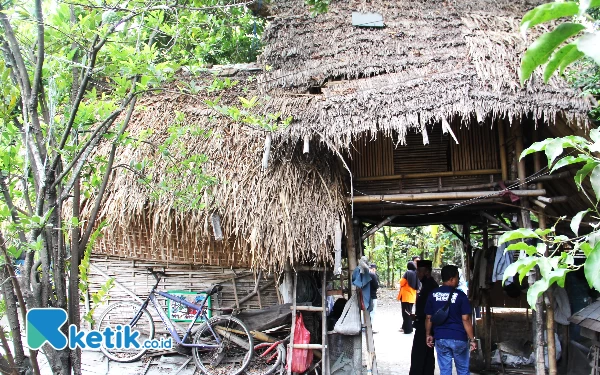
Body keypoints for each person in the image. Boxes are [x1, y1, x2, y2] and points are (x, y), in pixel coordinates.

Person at [425, 265, 477, 375]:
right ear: (452, 279)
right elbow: (466, 319)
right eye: (457, 277)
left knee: (445, 371)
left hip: (441, 338)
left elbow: (429, 317)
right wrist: (472, 339)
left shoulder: (433, 294)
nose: (458, 280)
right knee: (463, 371)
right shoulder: (461, 296)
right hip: (459, 338)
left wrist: (428, 334)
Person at [409, 260, 438, 375]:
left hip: (426, 325)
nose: (417, 274)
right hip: (422, 323)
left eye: (419, 272)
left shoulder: (431, 286)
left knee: (420, 353)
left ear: (426, 272)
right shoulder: (426, 285)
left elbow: (430, 311)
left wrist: (427, 329)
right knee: (424, 354)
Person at [398, 261, 420, 333]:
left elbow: (402, 282)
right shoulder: (416, 273)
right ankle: (406, 327)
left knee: (406, 313)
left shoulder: (408, 273)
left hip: (406, 296)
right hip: (412, 296)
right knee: (409, 312)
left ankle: (408, 329)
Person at [369, 263, 380, 332]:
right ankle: (371, 327)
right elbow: (376, 285)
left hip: (364, 296)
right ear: (373, 269)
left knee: (365, 312)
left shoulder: (363, 274)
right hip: (372, 296)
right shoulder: (373, 275)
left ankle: (365, 326)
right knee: (372, 312)